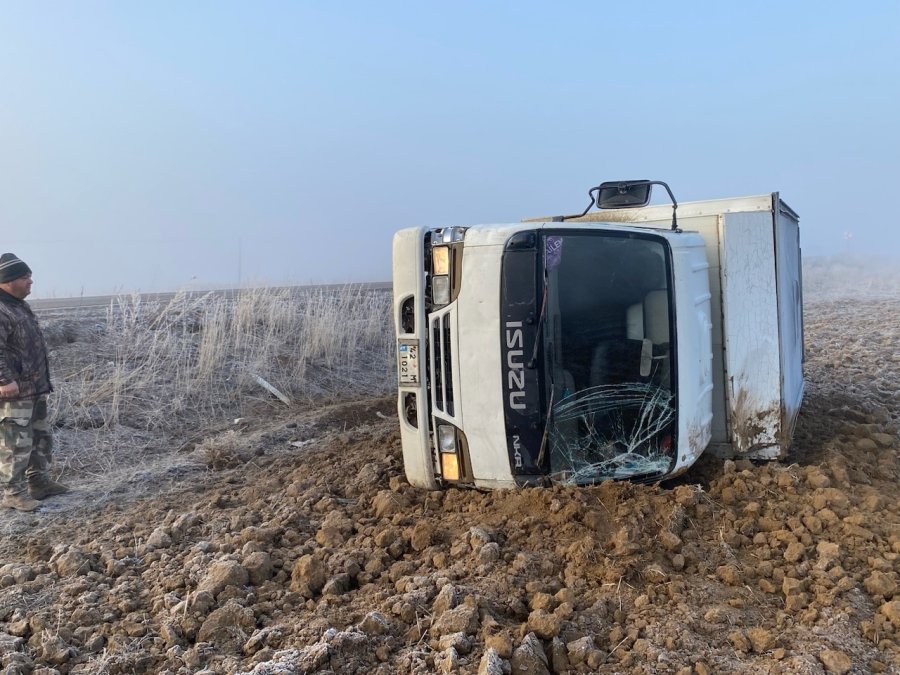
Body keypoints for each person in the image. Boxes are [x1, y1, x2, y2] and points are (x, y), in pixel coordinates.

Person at [0, 253, 68, 511]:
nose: (31, 281)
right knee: (14, 442)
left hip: (33, 388)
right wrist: (4, 379)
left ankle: (38, 482)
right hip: (13, 391)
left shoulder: (18, 305)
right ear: (7, 280)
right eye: (24, 276)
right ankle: (13, 494)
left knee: (39, 435)